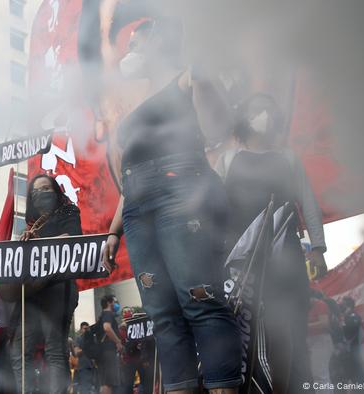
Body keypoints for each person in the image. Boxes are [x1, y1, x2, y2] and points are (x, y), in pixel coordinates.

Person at [102, 18, 243, 394]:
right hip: (137, 205)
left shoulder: (186, 78)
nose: (130, 50)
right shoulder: (133, 103)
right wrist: (113, 231)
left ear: (160, 42)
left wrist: (203, 72)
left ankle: (223, 387)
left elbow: (217, 126)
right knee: (162, 314)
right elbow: (129, 176)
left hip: (180, 193)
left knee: (200, 299)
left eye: (136, 41)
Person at [214, 93, 327, 392]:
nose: (262, 114)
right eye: (255, 108)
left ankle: (287, 387)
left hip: (283, 256)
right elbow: (212, 207)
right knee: (245, 329)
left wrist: (318, 248)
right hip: (240, 259)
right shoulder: (228, 159)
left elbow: (309, 203)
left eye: (267, 108)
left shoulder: (288, 157)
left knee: (285, 326)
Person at [9, 174, 81, 394]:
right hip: (33, 293)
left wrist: (40, 241)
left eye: (45, 188)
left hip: (59, 290)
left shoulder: (68, 211)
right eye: (35, 191)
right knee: (20, 351)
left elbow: (74, 237)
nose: (40, 193)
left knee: (54, 350)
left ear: (56, 191)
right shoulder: (30, 224)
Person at [96, 295, 123, 394]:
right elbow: (107, 328)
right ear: (109, 303)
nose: (116, 304)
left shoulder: (102, 315)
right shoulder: (107, 314)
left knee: (104, 382)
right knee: (108, 382)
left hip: (103, 352)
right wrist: (118, 342)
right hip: (108, 351)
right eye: (115, 301)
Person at [73, 322, 96, 394]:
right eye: (84, 328)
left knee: (94, 388)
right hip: (84, 367)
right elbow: (76, 352)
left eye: (87, 328)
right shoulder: (79, 339)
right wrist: (84, 348)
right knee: (85, 388)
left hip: (93, 366)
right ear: (81, 329)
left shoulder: (92, 338)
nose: (86, 330)